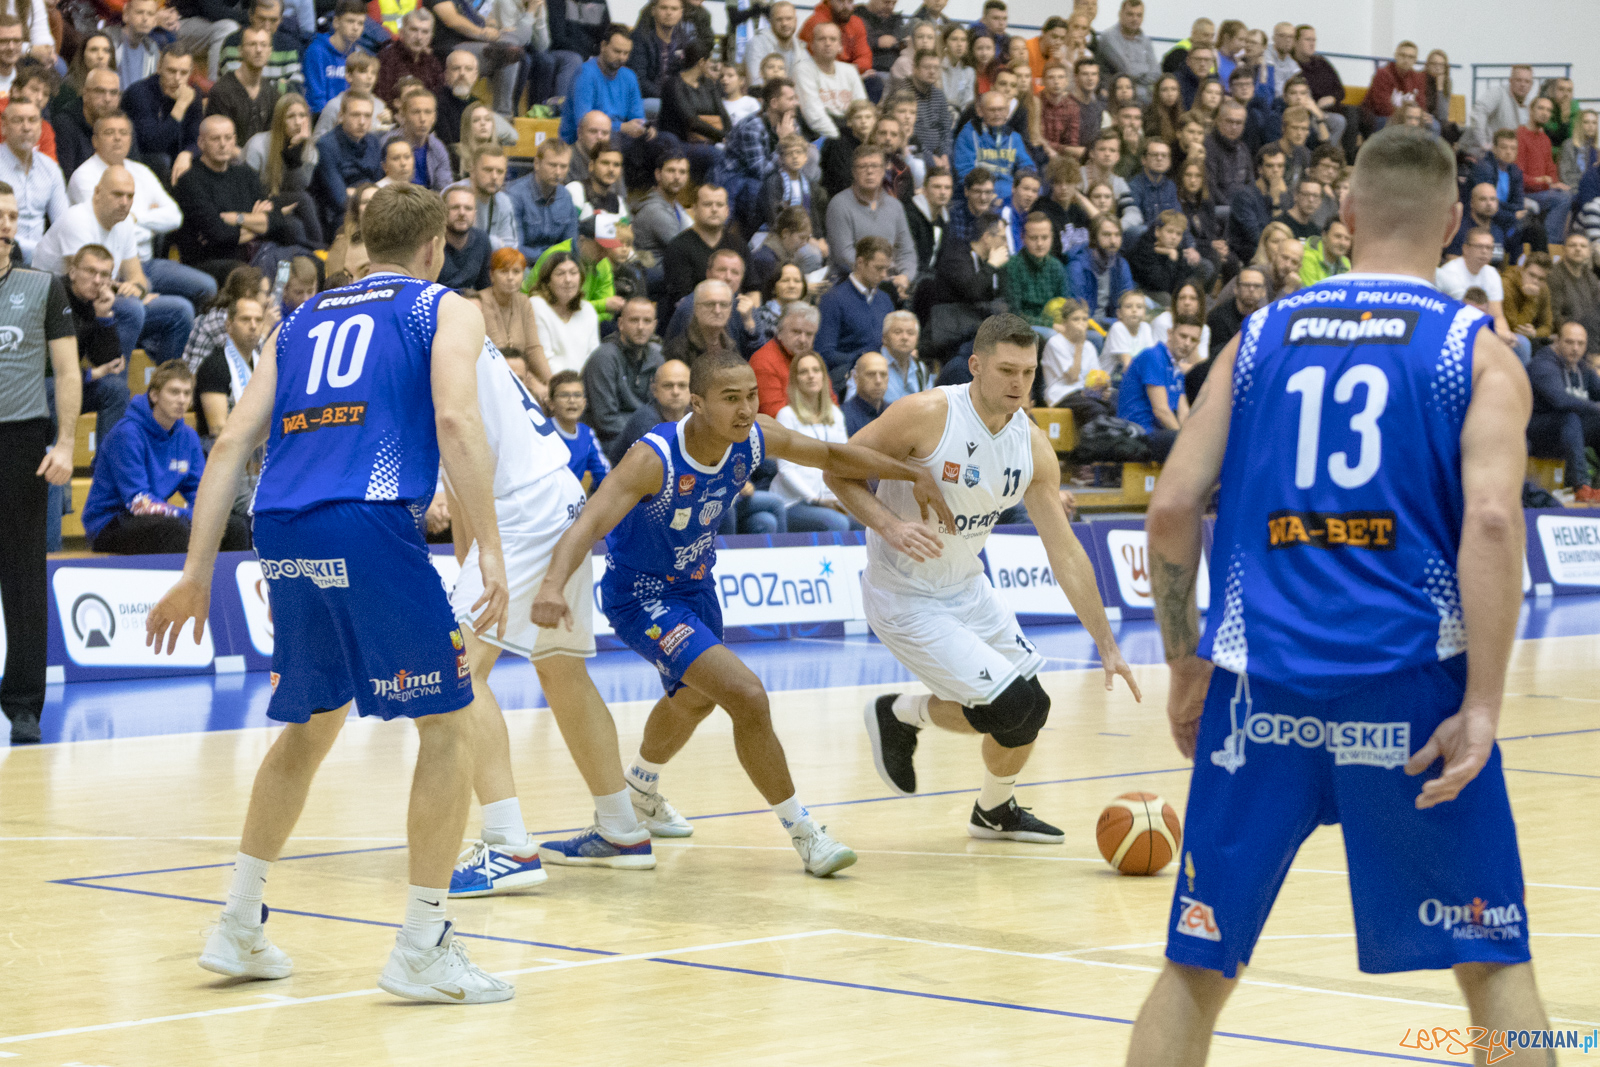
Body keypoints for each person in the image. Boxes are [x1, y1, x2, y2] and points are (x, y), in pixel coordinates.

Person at [1126, 125, 1551, 1063]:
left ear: (1345, 214)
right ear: (1451, 227)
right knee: (1490, 959)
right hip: (1411, 690)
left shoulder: (1261, 335)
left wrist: (1185, 659)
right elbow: (1490, 523)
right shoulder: (1475, 351)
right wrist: (1481, 703)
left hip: (1256, 690)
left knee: (1197, 965)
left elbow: (1168, 511)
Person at [146, 182, 517, 1003]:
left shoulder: (301, 318)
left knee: (310, 726)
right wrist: (485, 546)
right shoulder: (443, 306)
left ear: (359, 241)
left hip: (281, 521)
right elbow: (456, 423)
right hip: (366, 518)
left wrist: (196, 573)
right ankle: (423, 942)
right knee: (450, 724)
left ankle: (239, 923)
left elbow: (232, 442)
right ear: (433, 248)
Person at [527, 344, 956, 876]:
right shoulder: (653, 458)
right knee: (747, 696)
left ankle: (638, 792)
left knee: (693, 701)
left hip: (696, 586)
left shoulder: (753, 438)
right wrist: (551, 586)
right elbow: (588, 524)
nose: (746, 408)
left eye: (752, 395)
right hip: (642, 596)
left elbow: (829, 456)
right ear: (697, 404)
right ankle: (806, 834)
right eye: (731, 399)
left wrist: (909, 473)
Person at [825, 311, 1136, 835]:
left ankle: (994, 810)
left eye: (1028, 373)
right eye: (1006, 370)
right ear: (975, 366)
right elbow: (837, 468)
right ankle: (901, 713)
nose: (1018, 384)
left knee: (1032, 708)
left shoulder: (1033, 445)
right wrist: (888, 525)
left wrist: (1107, 644)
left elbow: (1065, 551)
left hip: (967, 588)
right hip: (904, 594)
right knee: (1008, 704)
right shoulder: (924, 414)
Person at [0, 179, 79, 744]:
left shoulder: (42, 286)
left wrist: (68, 443)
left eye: (10, 215)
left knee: (24, 578)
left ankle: (23, 703)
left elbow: (69, 373)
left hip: (22, 444)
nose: (5, 224)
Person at [81, 359, 247, 553]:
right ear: (154, 395)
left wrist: (206, 518)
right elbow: (139, 503)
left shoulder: (187, 437)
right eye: (174, 392)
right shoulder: (127, 434)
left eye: (186, 393)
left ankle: (220, 583)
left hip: (156, 520)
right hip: (110, 523)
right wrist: (189, 517)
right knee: (175, 530)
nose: (182, 400)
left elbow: (202, 493)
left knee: (234, 527)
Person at [174, 115, 295, 284]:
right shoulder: (190, 181)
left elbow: (276, 220)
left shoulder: (245, 174)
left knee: (301, 263)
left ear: (234, 140)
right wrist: (257, 225)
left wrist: (237, 218)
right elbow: (219, 235)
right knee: (247, 274)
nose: (223, 144)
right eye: (215, 139)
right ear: (201, 143)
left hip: (254, 253)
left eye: (228, 138)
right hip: (209, 261)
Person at [771, 350, 859, 531]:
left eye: (816, 370)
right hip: (795, 501)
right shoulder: (786, 415)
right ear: (795, 380)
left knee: (866, 522)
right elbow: (786, 470)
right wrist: (816, 499)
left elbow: (844, 461)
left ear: (824, 376)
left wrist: (839, 498)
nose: (811, 376)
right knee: (838, 523)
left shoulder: (835, 413)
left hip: (829, 498)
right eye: (804, 372)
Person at [61, 245, 132, 440]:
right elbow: (47, 368)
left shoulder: (96, 302)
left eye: (104, 275)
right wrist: (94, 373)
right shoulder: (55, 297)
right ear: (73, 272)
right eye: (91, 272)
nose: (97, 281)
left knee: (116, 389)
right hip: (44, 386)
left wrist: (103, 315)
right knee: (51, 386)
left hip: (74, 384)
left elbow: (111, 362)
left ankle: (106, 466)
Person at [1528, 321, 1600, 497]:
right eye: (1569, 342)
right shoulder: (1543, 364)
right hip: (1537, 433)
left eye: (1580, 343)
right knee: (1570, 417)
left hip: (1570, 433)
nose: (1575, 348)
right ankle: (1581, 487)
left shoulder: (1582, 367)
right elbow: (1560, 400)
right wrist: (1596, 407)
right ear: (1557, 341)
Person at [817, 233, 896, 392]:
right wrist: (861, 358)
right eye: (879, 268)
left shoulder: (885, 300)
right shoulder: (833, 300)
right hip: (848, 381)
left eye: (886, 269)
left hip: (883, 378)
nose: (883, 275)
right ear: (860, 262)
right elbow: (824, 352)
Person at [584, 294, 662, 451]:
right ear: (620, 324)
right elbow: (605, 420)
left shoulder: (657, 357)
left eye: (647, 321)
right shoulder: (604, 357)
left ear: (654, 325)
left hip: (647, 436)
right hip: (607, 440)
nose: (641, 327)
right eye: (634, 320)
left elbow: (662, 408)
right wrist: (645, 430)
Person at [1437, 227, 1528, 363]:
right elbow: (1465, 318)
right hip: (1456, 332)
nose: (1485, 251)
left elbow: (1497, 315)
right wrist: (1497, 334)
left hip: (1485, 330)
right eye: (1479, 246)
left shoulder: (1492, 274)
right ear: (1465, 249)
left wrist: (1505, 336)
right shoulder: (1450, 273)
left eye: (1489, 248)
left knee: (1522, 344)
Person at [1115, 312, 1196, 461]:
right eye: (1183, 336)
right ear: (1170, 334)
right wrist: (1186, 441)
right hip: (1137, 434)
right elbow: (1161, 411)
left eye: (1193, 340)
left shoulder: (1177, 368)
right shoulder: (1154, 356)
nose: (1187, 343)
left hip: (1158, 432)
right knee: (1181, 441)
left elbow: (1184, 413)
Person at [123, 48, 203, 187]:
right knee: (162, 160)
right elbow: (154, 144)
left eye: (183, 73)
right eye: (171, 71)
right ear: (159, 68)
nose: (177, 79)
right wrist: (180, 106)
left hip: (177, 159)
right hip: (141, 159)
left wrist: (188, 153)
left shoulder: (193, 95)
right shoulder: (139, 93)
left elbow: (197, 137)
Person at [191, 293, 264, 444]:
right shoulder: (214, 366)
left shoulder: (264, 364)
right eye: (245, 319)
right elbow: (217, 429)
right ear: (228, 325)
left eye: (258, 320)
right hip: (219, 453)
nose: (253, 326)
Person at [0, 98, 64, 264]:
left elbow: (62, 223)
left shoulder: (50, 168)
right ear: (3, 127)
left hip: (41, 261)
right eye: (18, 121)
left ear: (41, 127)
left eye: (32, 120)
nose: (26, 127)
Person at [312, 91, 384, 236]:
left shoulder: (373, 142)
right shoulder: (326, 146)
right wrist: (367, 195)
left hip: (371, 209)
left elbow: (380, 187)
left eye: (367, 116)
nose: (362, 121)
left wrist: (353, 191)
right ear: (341, 116)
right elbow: (340, 199)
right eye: (356, 115)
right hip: (339, 217)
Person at [507, 138, 578, 267]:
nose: (558, 172)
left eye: (563, 166)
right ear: (537, 163)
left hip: (556, 266)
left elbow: (571, 246)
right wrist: (550, 258)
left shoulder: (566, 197)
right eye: (552, 165)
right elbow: (515, 248)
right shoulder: (515, 195)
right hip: (523, 265)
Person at [207, 25, 280, 147]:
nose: (258, 50)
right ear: (240, 51)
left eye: (263, 45)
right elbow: (219, 142)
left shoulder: (272, 93)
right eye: (252, 44)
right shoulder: (222, 91)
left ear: (269, 51)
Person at [529, 251, 601, 375]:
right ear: (548, 280)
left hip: (584, 385)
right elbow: (544, 358)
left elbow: (594, 355)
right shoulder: (536, 305)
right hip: (552, 383)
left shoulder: (587, 309)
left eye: (573, 273)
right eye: (560, 273)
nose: (568, 279)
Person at [794, 20, 866, 142]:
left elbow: (862, 108)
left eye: (833, 39)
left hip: (850, 131)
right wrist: (837, 139)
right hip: (820, 137)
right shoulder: (803, 69)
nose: (827, 43)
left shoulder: (849, 71)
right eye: (822, 39)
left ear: (840, 46)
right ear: (811, 45)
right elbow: (814, 115)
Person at [218, 0, 306, 97]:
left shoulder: (289, 46)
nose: (266, 26)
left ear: (281, 19)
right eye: (261, 19)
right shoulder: (233, 43)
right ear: (250, 16)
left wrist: (253, 85)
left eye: (273, 20)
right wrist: (279, 85)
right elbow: (233, 89)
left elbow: (294, 90)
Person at [750, 298, 820, 417]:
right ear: (780, 332)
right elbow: (775, 415)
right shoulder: (763, 361)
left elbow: (831, 403)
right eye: (796, 332)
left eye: (809, 334)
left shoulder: (813, 360)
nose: (803, 340)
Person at [1517, 98, 1571, 244]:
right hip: (1526, 192)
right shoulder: (1520, 135)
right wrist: (1540, 181)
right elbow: (1517, 176)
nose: (1545, 113)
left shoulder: (1545, 139)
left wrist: (1554, 183)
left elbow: (1551, 169)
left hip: (1542, 191)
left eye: (1548, 110)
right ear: (1531, 110)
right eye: (1541, 108)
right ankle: (1550, 244)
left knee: (1569, 194)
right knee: (1563, 199)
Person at [632, 152, 691, 272]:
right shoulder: (654, 210)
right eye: (671, 171)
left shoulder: (675, 206)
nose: (677, 177)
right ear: (658, 175)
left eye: (682, 172)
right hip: (651, 279)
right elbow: (685, 250)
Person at [377, 8, 443, 106]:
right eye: (413, 30)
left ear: (430, 37)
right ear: (402, 32)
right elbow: (382, 99)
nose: (419, 37)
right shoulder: (386, 59)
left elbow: (438, 100)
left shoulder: (433, 63)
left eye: (425, 32)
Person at [1465, 63, 1533, 159]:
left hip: (1510, 157)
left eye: (1527, 81)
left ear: (1531, 84)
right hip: (1487, 155)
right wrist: (1483, 143)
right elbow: (1478, 112)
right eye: (1519, 80)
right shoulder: (1498, 93)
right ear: (1510, 81)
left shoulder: (1530, 105)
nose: (1523, 85)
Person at [1205, 263, 1265, 357]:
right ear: (1236, 289)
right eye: (1246, 285)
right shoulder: (1218, 318)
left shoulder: (1264, 317)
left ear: (1263, 292)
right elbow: (1218, 355)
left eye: (1257, 286)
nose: (1252, 290)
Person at [1552, 231, 1600, 349]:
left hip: (1591, 332)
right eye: (1572, 245)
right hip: (1568, 333)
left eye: (1583, 246)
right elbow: (1554, 315)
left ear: (1589, 252)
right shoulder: (1554, 276)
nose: (1578, 249)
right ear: (1564, 250)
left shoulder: (1591, 277)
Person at [437, 183, 489, 292]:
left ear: (474, 214)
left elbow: (485, 287)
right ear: (443, 211)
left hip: (469, 303)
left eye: (468, 208)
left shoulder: (482, 239)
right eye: (455, 207)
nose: (462, 213)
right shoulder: (432, 241)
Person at [745, 0, 805, 88]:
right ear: (771, 22)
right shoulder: (757, 43)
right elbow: (756, 83)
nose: (784, 23)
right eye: (779, 19)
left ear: (796, 21)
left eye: (789, 19)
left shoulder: (801, 47)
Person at [1502, 251, 1552, 352]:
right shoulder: (1506, 285)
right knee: (1522, 344)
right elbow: (1516, 328)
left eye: (1541, 278)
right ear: (1522, 270)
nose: (1535, 281)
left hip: (1530, 335)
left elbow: (1547, 326)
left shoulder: (1543, 289)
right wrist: (1531, 299)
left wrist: (1535, 333)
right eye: (1532, 275)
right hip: (1504, 335)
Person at [1299, 217, 1351, 286]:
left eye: (1347, 239)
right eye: (1338, 236)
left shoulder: (1345, 263)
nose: (1342, 243)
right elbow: (1312, 293)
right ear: (1324, 236)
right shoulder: (1307, 258)